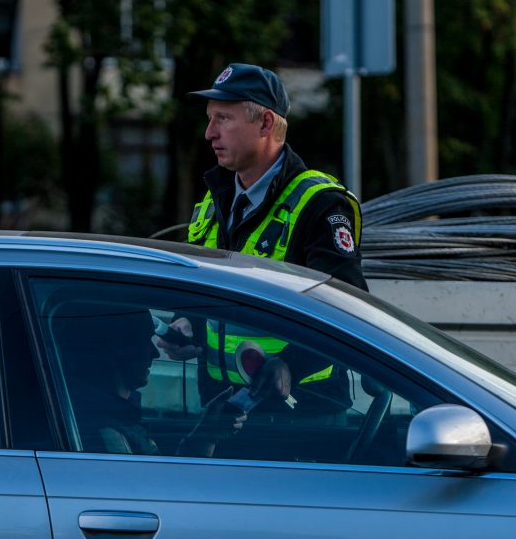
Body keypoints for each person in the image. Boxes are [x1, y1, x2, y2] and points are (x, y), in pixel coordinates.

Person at [159, 62, 366, 411]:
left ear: (265, 124)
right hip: (223, 413)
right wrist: (187, 324)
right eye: (210, 118)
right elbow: (209, 295)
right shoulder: (215, 199)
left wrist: (290, 366)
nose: (209, 133)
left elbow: (348, 311)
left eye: (223, 118)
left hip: (304, 419)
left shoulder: (318, 203)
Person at [52, 299, 246, 457]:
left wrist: (207, 433)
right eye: (145, 342)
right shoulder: (108, 435)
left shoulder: (108, 415)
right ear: (117, 351)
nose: (154, 352)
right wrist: (206, 436)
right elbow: (170, 491)